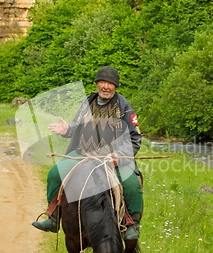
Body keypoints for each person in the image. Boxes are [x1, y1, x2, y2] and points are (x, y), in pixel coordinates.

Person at [32, 66, 143, 240]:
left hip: (112, 157)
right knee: (54, 174)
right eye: (102, 82)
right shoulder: (87, 103)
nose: (106, 87)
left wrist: (119, 156)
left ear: (116, 86)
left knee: (131, 183)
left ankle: (132, 224)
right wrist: (67, 129)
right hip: (83, 154)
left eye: (110, 83)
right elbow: (77, 125)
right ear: (97, 84)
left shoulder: (124, 106)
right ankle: (53, 217)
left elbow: (135, 138)